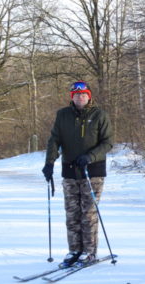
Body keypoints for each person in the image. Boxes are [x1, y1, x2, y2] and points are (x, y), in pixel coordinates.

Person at [42, 80, 113, 268]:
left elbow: (107, 143)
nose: (80, 97)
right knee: (72, 213)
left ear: (89, 96)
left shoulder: (99, 115)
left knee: (88, 213)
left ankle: (89, 252)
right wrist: (49, 163)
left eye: (83, 94)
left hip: (93, 171)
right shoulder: (63, 115)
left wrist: (89, 157)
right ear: (71, 97)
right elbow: (54, 140)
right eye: (76, 94)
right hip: (70, 171)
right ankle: (75, 250)